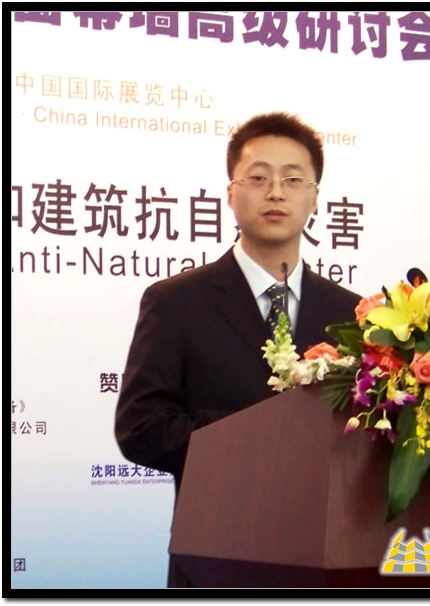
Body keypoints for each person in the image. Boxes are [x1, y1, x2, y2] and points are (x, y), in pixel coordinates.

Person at [114, 111, 362, 587]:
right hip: (216, 561)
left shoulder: (353, 314)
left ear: (314, 197)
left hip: (329, 562)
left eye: (293, 179)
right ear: (231, 193)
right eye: (259, 177)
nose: (276, 193)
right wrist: (257, 442)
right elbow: (140, 427)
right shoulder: (176, 303)